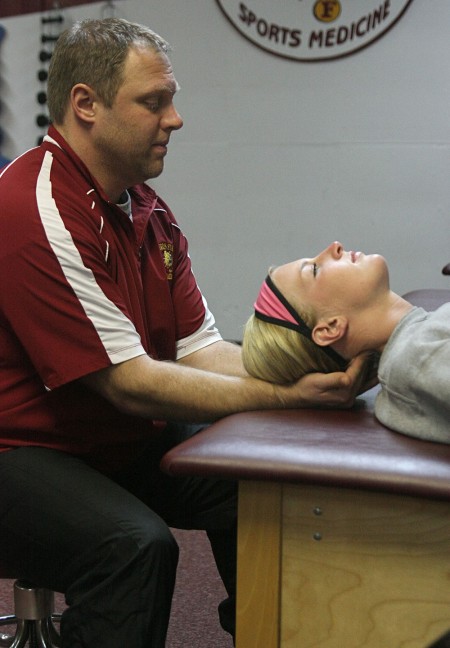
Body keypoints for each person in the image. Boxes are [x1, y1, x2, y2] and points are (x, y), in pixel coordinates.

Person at [0, 18, 371, 648]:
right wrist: (288, 397)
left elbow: (200, 351)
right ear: (85, 105)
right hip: (20, 452)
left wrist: (307, 376)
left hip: (103, 439)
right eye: (154, 102)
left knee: (261, 476)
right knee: (133, 549)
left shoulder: (145, 207)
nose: (175, 120)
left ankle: (270, 632)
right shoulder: (33, 203)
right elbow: (130, 386)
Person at [242, 241, 450, 442]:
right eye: (314, 270)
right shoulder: (422, 356)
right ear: (330, 328)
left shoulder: (419, 347)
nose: (335, 246)